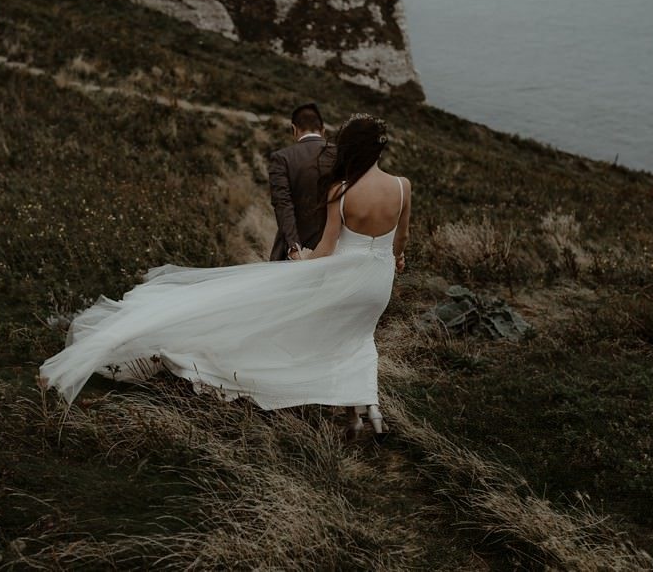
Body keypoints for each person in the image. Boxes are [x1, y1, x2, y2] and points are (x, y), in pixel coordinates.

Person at [39, 114, 410, 436]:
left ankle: (349, 409)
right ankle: (364, 415)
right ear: (379, 149)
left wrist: (302, 259)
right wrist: (395, 259)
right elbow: (400, 243)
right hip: (377, 283)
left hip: (343, 282)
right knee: (358, 338)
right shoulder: (402, 186)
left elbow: (328, 249)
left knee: (324, 338)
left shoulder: (342, 192)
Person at [268, 103, 335, 261]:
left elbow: (283, 204)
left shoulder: (282, 158)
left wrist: (293, 246)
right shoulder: (339, 154)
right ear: (323, 130)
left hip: (297, 248)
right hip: (335, 248)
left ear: (294, 129)